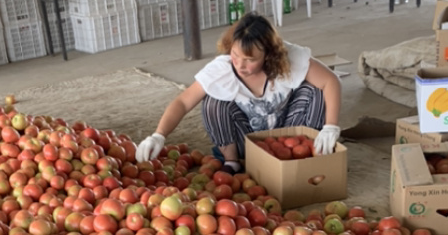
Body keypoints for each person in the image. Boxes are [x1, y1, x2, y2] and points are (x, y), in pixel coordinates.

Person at [135, 12, 342, 170]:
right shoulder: (223, 69)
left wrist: (330, 126)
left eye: (250, 60)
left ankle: (303, 158)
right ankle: (232, 163)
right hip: (248, 142)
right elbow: (183, 102)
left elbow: (331, 81)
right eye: (235, 55)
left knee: (313, 91)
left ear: (269, 56)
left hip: (289, 135)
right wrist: (158, 135)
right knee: (213, 102)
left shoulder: (290, 59)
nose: (240, 65)